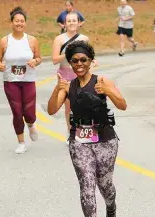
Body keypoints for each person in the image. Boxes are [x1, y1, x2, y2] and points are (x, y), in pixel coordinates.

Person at [47, 40, 127, 217]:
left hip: (105, 140)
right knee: (87, 187)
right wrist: (57, 88)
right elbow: (51, 110)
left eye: (83, 60)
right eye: (74, 60)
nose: (79, 64)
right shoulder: (68, 86)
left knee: (105, 186)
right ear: (70, 62)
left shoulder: (102, 80)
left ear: (91, 61)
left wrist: (108, 91)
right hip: (79, 142)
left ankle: (111, 207)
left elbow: (123, 105)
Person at [0, 6, 42, 154]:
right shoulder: (4, 41)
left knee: (28, 111)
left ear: (25, 23)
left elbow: (39, 58)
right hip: (10, 80)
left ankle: (31, 123)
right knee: (17, 111)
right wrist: (0, 65)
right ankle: (21, 142)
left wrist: (35, 61)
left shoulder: (32, 40)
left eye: (22, 21)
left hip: (28, 80)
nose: (19, 23)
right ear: (11, 23)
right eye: (17, 21)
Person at [52, 11, 92, 145]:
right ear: (64, 24)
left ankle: (84, 132)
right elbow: (54, 59)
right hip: (66, 74)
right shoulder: (59, 39)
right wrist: (70, 52)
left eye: (74, 20)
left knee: (84, 105)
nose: (71, 23)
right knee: (69, 107)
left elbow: (89, 56)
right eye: (68, 21)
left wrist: (93, 61)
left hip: (82, 75)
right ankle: (71, 133)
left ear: (79, 23)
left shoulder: (84, 39)